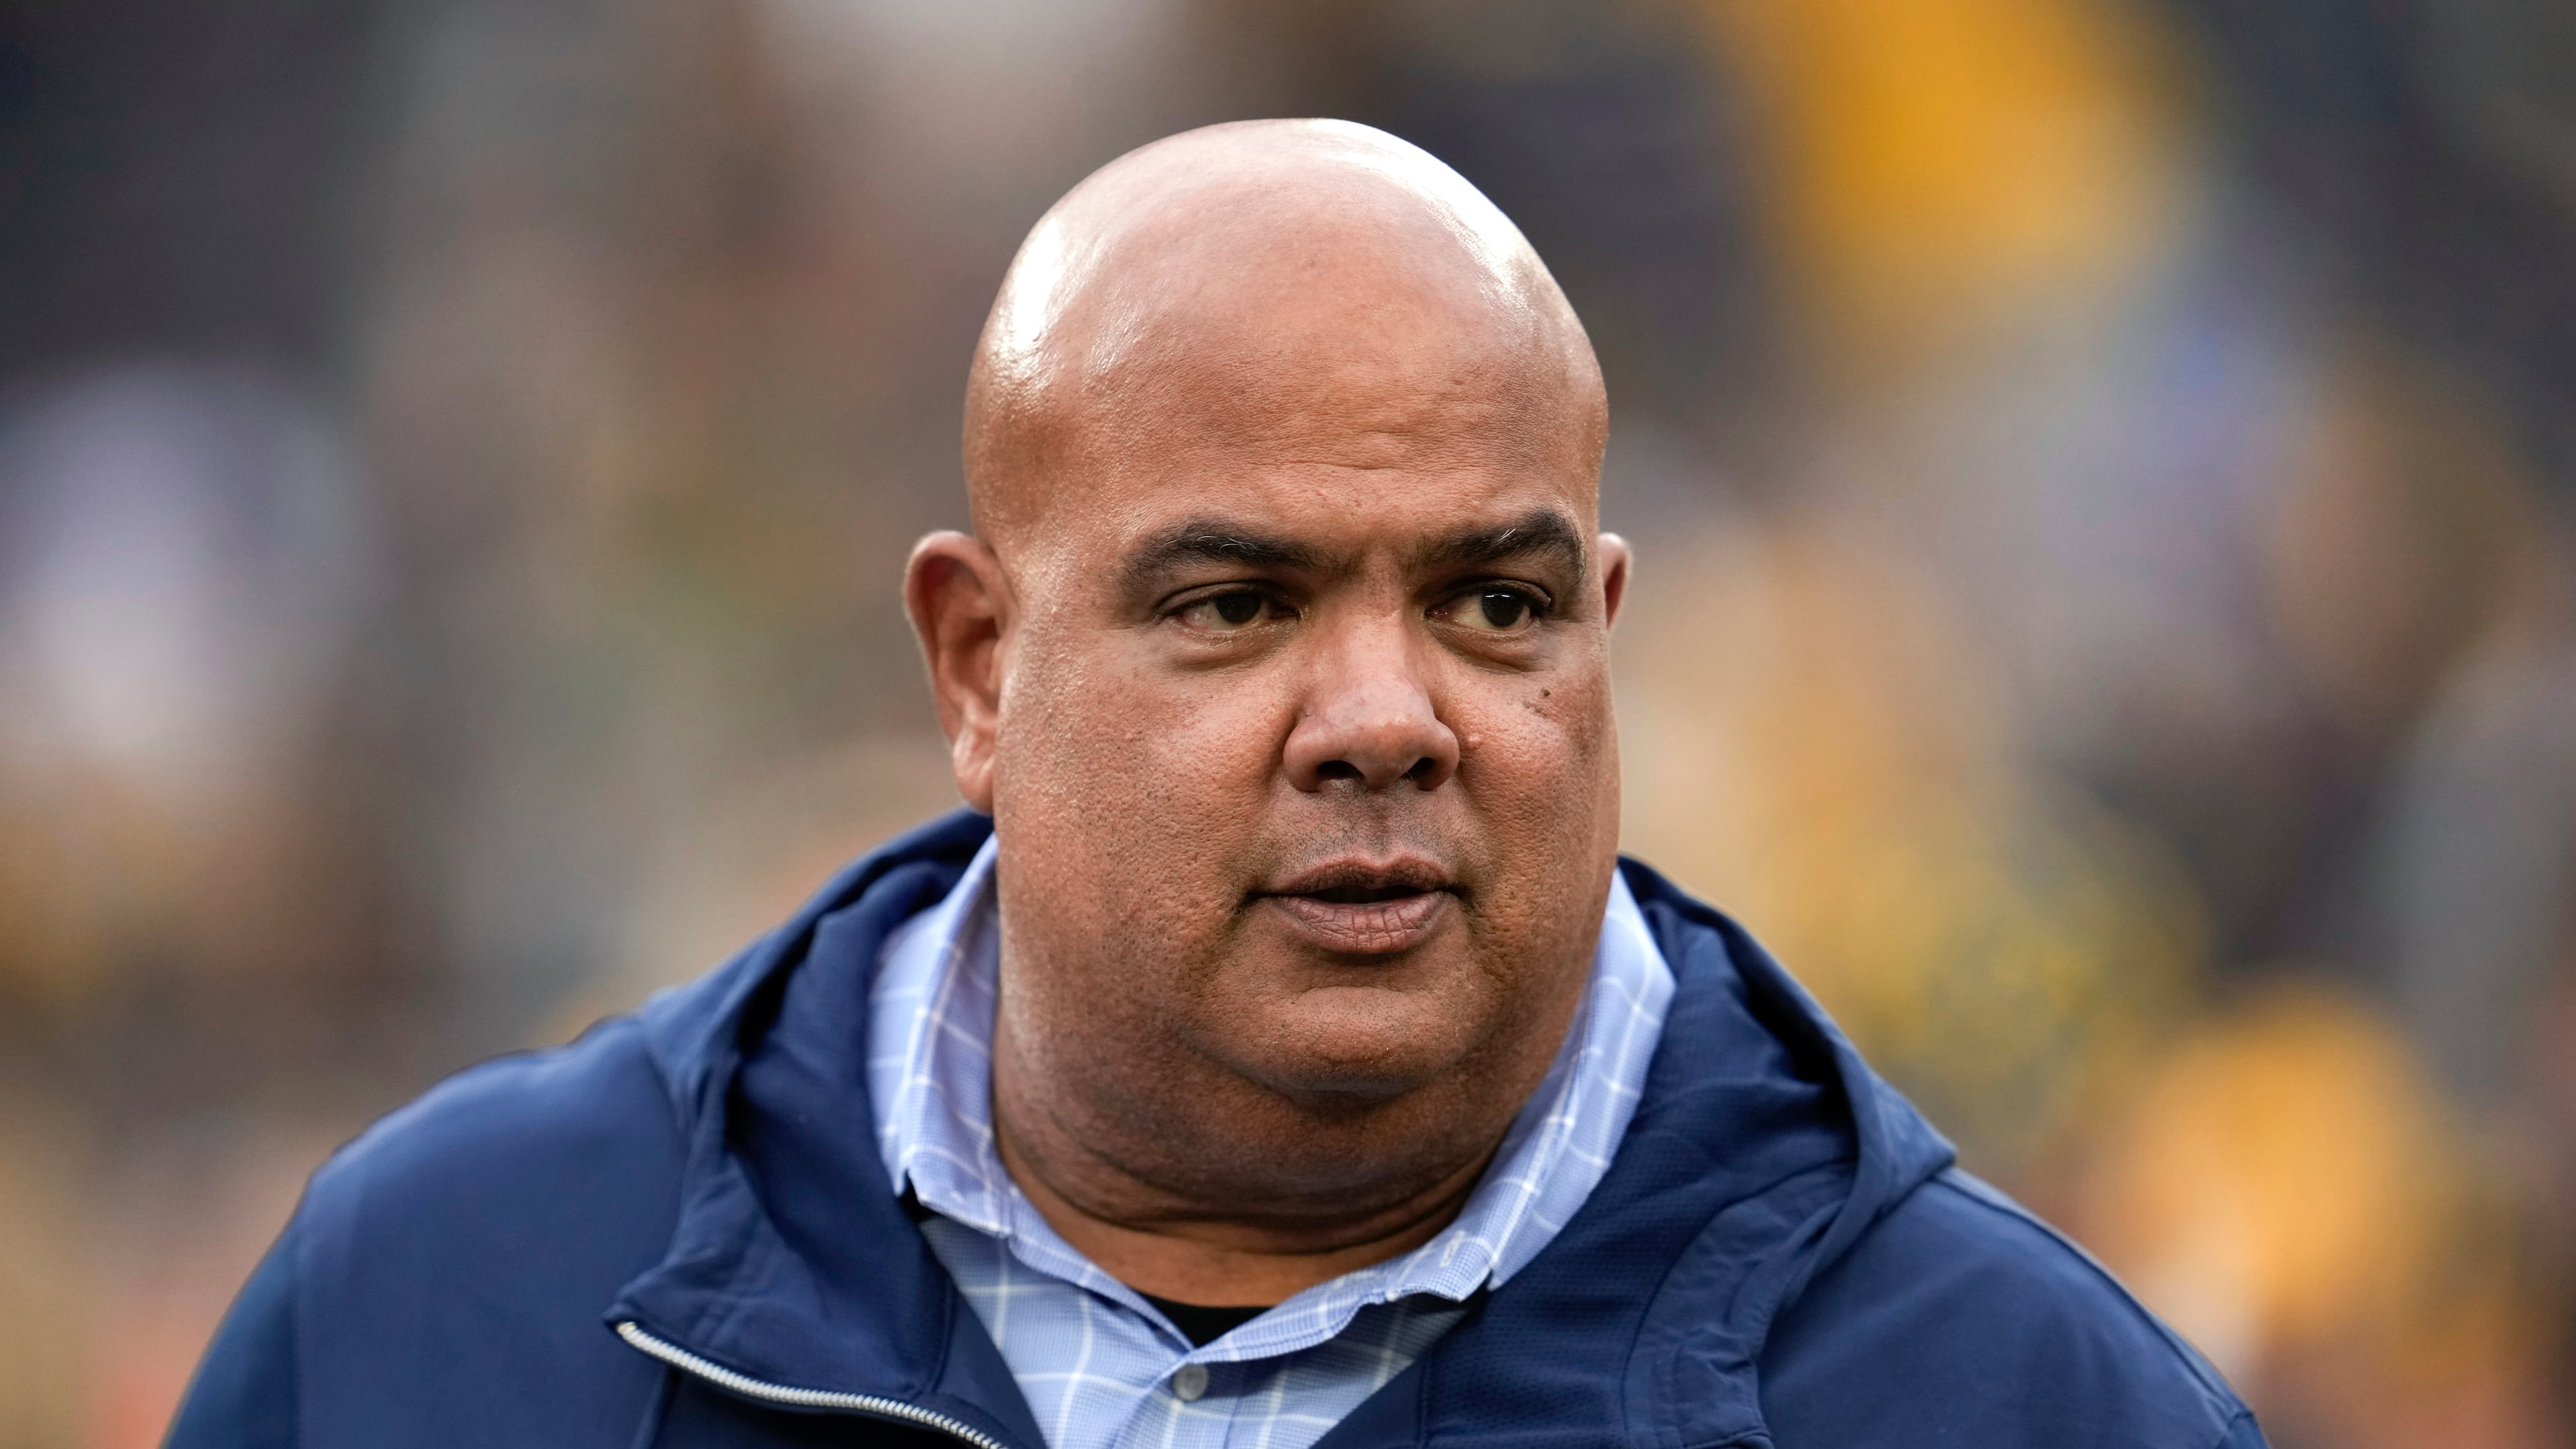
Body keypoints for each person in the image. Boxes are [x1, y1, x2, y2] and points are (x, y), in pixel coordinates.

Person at [166, 119, 2264, 1449]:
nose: (1386, 715)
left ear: (1609, 626)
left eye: (1495, 605)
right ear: (980, 664)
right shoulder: (449, 1305)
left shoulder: (2015, 1400)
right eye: (1239, 604)